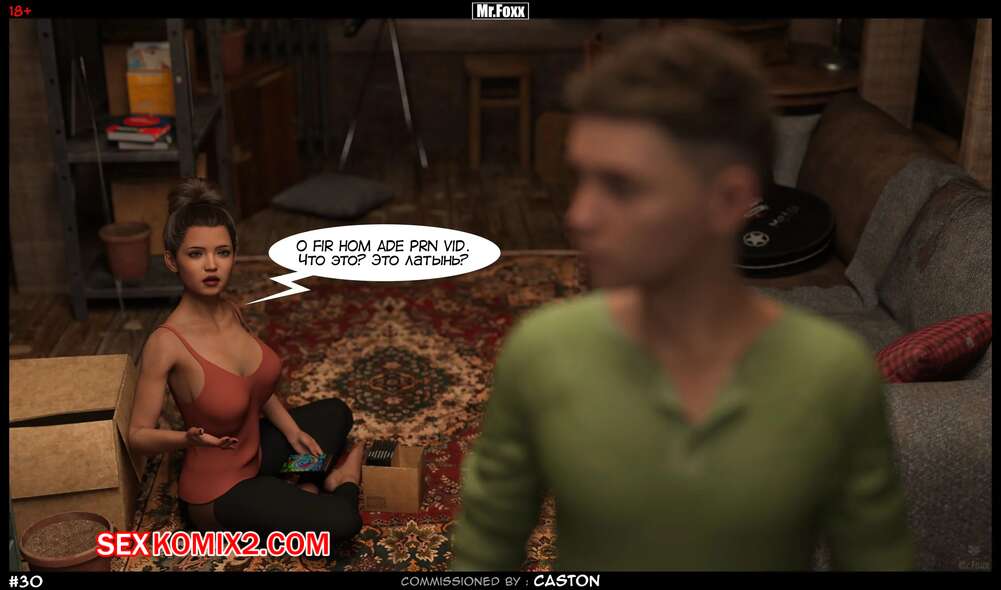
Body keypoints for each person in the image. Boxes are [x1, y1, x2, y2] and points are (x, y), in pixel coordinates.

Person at [451, 27, 914, 571]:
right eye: (581, 179)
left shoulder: (833, 376)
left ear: (729, 200)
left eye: (621, 186)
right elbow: (483, 553)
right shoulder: (542, 353)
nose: (578, 215)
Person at [128, 178, 366, 544]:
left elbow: (254, 388)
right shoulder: (166, 343)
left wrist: (292, 430)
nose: (211, 265)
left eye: (222, 252)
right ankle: (340, 482)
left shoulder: (231, 310)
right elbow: (137, 436)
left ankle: (301, 482)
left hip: (255, 459)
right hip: (219, 492)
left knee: (335, 413)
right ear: (172, 261)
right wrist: (187, 439)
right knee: (342, 522)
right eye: (196, 254)